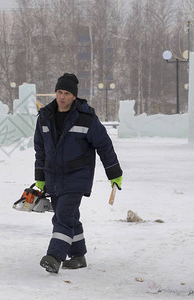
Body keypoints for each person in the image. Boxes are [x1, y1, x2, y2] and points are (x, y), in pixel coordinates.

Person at [34, 73, 123, 274]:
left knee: (63, 216)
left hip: (77, 176)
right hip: (53, 177)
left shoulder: (86, 117)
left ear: (74, 96)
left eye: (66, 93)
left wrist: (114, 172)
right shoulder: (45, 117)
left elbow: (104, 145)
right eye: (59, 92)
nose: (62, 97)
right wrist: (40, 177)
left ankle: (55, 257)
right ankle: (78, 256)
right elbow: (40, 149)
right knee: (68, 216)